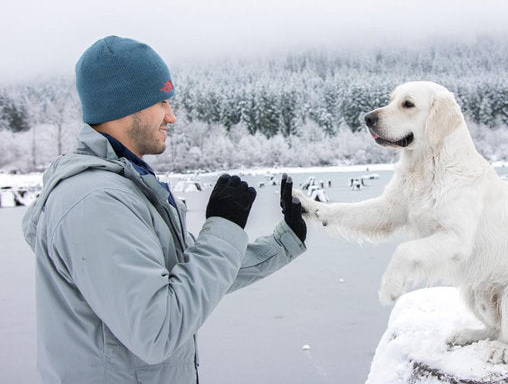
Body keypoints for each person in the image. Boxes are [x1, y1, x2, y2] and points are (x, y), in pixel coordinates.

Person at [22, 35, 308, 384]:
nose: (171, 117)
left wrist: (283, 242)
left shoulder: (126, 188)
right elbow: (158, 331)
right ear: (125, 105)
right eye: (162, 102)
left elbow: (192, 274)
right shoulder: (97, 202)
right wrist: (224, 225)